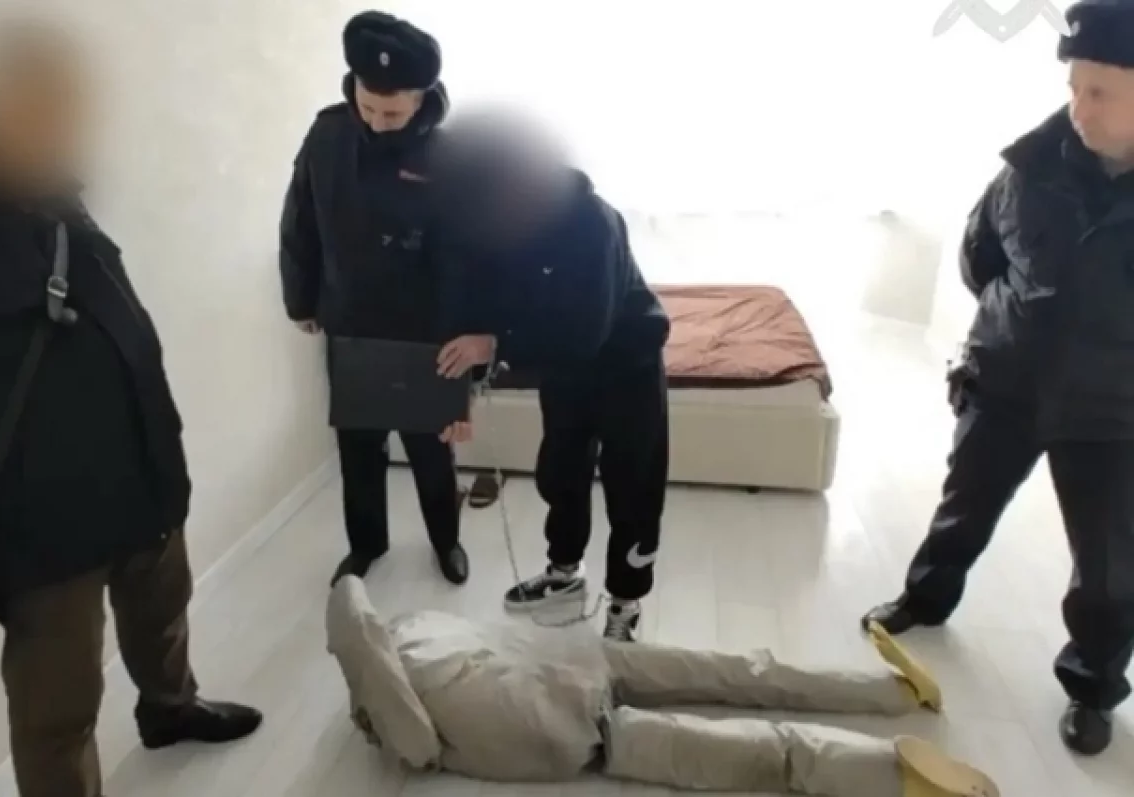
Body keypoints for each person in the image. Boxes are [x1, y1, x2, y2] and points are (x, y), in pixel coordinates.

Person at [0, 19, 261, 797]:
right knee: (58, 707)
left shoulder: (57, 197)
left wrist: (165, 458)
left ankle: (170, 709)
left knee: (163, 618)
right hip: (42, 526)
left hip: (143, 477)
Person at [861, 0, 1134, 758]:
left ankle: (1091, 687)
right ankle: (924, 599)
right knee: (963, 507)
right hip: (1006, 381)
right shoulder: (1030, 166)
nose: (1078, 108)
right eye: (1074, 87)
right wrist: (1016, 331)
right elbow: (980, 257)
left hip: (1112, 412)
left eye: (1101, 92)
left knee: (1110, 569)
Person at [326, 576, 999, 797]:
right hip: (583, 670)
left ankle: (895, 766)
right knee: (738, 674)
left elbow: (417, 749)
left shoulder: (397, 695)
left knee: (759, 747)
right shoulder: (417, 625)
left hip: (571, 712)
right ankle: (892, 693)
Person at [434, 115, 671, 642]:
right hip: (563, 370)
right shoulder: (488, 223)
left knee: (633, 487)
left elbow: (585, 331)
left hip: (626, 366)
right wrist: (457, 398)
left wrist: (496, 345)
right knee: (561, 472)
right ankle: (564, 571)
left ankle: (626, 601)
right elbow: (472, 308)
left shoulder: (594, 224)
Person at [279, 11, 470, 587]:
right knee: (358, 447)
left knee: (431, 449)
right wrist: (301, 300)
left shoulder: (449, 157)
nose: (377, 123)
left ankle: (446, 541)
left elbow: (468, 255)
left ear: (421, 100)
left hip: (424, 330)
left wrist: (471, 331)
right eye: (367, 107)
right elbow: (299, 219)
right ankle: (366, 545)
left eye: (393, 113)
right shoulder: (326, 136)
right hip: (351, 319)